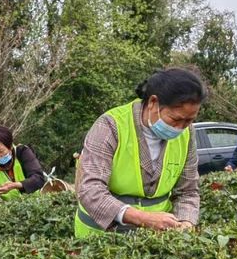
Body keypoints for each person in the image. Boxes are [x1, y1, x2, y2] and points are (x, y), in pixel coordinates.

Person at [75, 68, 206, 237]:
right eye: (175, 119)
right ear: (153, 103)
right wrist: (143, 218)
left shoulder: (187, 134)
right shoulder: (110, 125)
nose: (180, 128)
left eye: (189, 120)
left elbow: (188, 191)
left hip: (154, 238)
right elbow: (90, 190)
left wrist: (185, 223)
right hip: (100, 236)